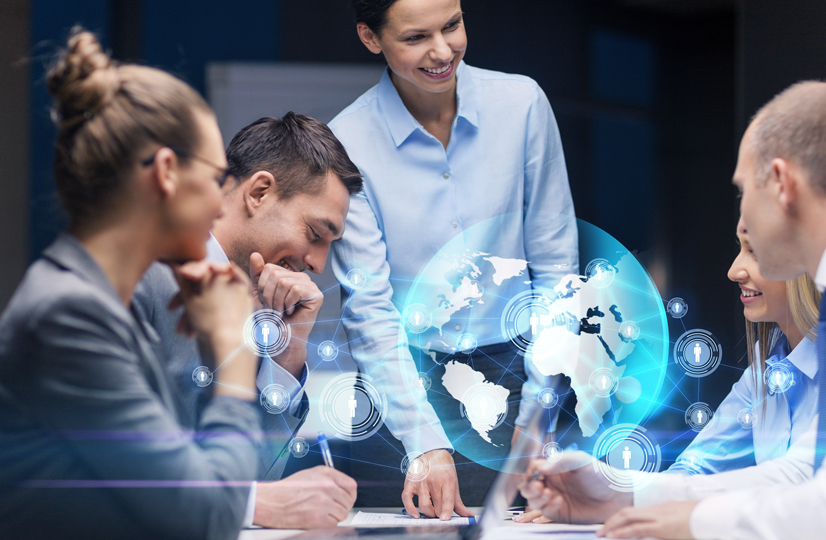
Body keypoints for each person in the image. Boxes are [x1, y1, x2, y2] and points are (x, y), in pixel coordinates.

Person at [525, 81, 826, 540]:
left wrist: (694, 523)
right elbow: (803, 471)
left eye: (742, 191)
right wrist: (621, 494)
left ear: (781, 183)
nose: (743, 219)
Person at [0, 29, 260, 538]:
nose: (219, 205)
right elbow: (205, 520)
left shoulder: (101, 307)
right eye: (215, 179)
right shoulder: (68, 316)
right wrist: (234, 351)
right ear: (166, 172)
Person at [329, 0, 578, 519]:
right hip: (397, 381)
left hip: (519, 375)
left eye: (452, 26)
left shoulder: (522, 104)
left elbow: (556, 267)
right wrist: (423, 439)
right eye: (416, 38)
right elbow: (369, 306)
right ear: (370, 38)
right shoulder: (345, 142)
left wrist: (538, 405)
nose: (443, 51)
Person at [133, 112, 362, 529]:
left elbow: (253, 476)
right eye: (315, 233)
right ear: (258, 192)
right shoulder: (141, 276)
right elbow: (97, 464)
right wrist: (253, 505)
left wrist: (289, 352)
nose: (318, 263)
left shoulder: (256, 309)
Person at [516, 217, 822, 524]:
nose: (734, 272)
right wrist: (608, 497)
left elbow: (799, 479)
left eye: (754, 252)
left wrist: (620, 497)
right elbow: (696, 469)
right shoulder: (766, 372)